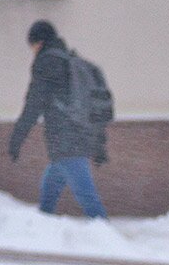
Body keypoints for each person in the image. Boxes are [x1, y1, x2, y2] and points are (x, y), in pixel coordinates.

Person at [8, 20, 108, 218]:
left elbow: (33, 106)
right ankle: (44, 228)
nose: (33, 50)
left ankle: (108, 241)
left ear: (39, 42)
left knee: (87, 197)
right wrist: (99, 145)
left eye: (32, 45)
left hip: (66, 140)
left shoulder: (47, 63)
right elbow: (94, 106)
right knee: (50, 189)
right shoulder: (71, 61)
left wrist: (16, 138)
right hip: (76, 137)